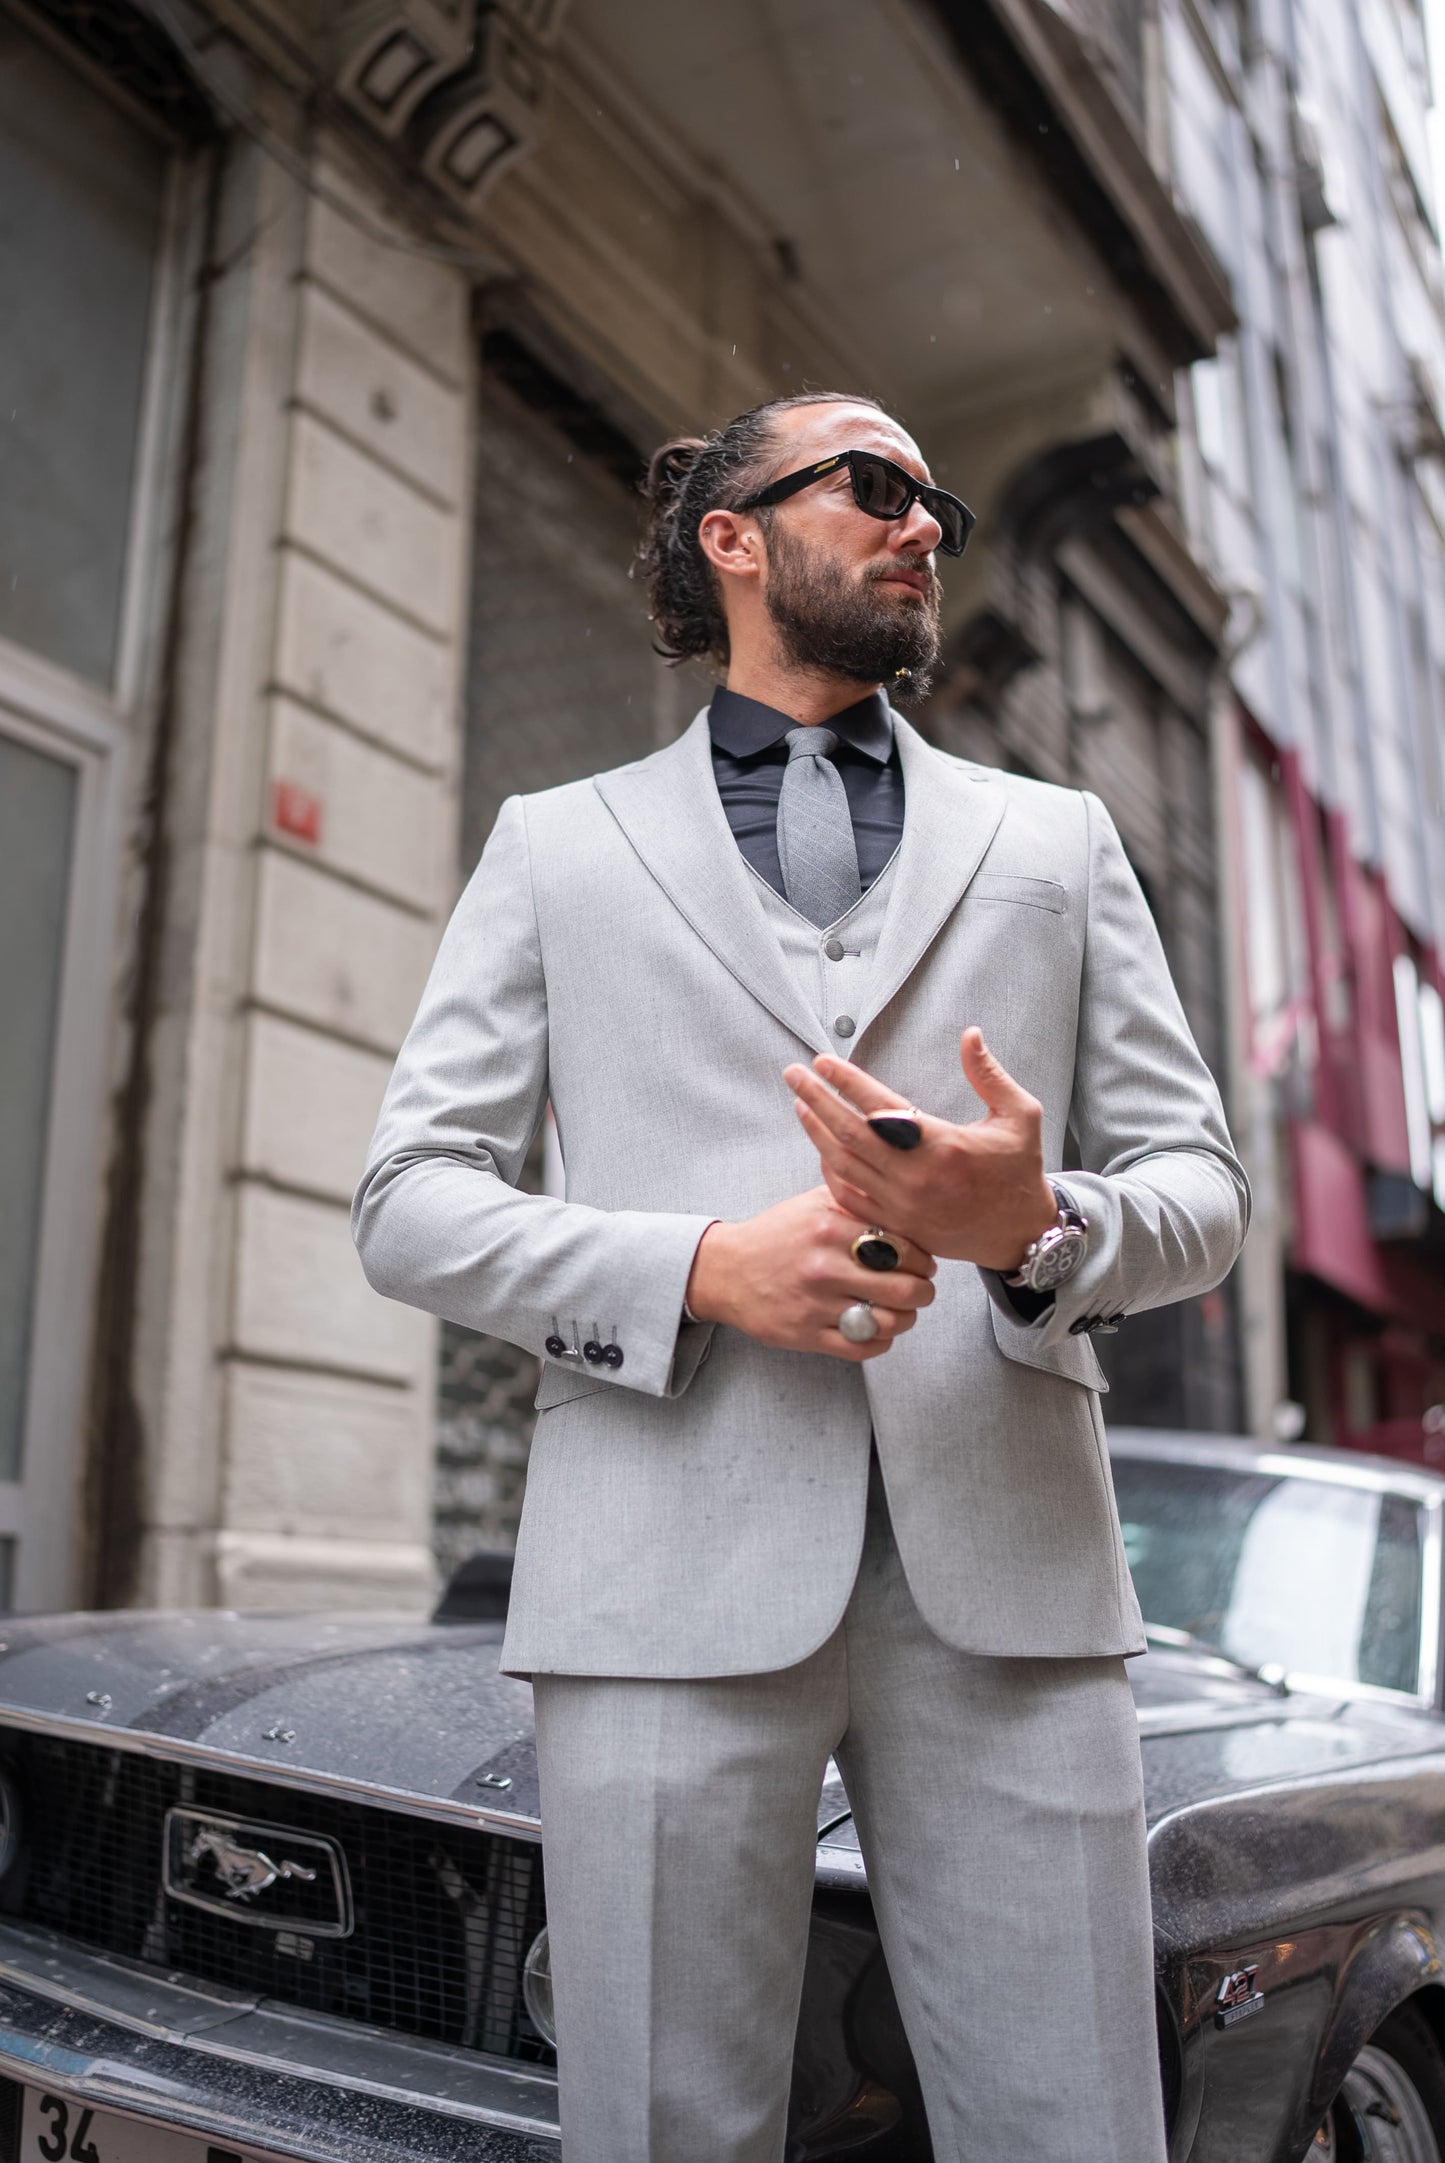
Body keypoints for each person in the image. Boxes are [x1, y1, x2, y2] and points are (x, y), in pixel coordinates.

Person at [353, 390, 1248, 2163]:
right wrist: (696, 1268)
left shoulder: (1055, 841)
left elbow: (1201, 1190)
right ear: (732, 534)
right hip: (659, 1570)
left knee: (1070, 2122)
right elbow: (409, 1202)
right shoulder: (557, 840)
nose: (925, 523)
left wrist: (1037, 1232)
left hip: (1009, 1582)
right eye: (875, 486)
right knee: (665, 2127)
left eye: (939, 507)